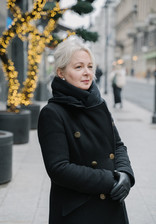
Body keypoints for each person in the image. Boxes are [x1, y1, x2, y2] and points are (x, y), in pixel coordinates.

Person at [37, 37, 135, 224]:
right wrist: (110, 180)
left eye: (90, 67)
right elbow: (59, 169)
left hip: (112, 205)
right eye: (79, 67)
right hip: (78, 210)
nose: (87, 73)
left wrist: (125, 174)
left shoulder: (99, 104)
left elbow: (118, 145)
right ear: (61, 72)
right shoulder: (52, 113)